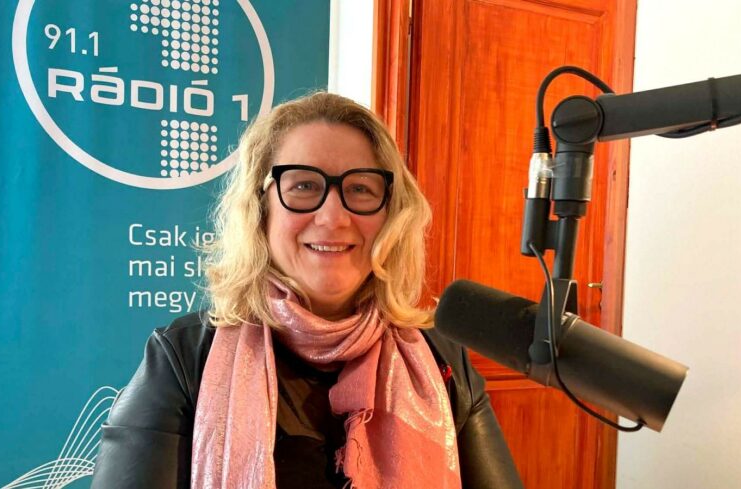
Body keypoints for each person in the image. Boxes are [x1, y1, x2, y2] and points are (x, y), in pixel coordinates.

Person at [91, 92, 523, 489]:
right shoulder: (183, 359)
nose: (333, 217)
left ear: (392, 214)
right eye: (303, 186)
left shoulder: (442, 358)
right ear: (261, 208)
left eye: (360, 188)